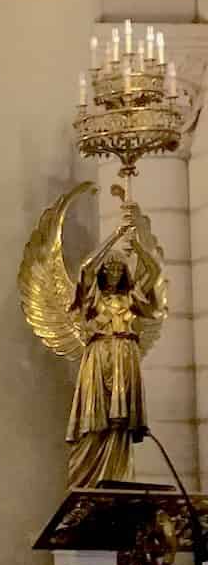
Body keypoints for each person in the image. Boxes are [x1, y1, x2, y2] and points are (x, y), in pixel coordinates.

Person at [65, 202, 163, 489]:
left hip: (125, 358)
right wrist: (114, 236)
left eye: (120, 268)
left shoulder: (132, 299)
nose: (115, 272)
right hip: (98, 359)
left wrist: (138, 245)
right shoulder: (93, 300)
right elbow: (85, 268)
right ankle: (87, 483)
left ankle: (117, 480)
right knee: (96, 421)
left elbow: (155, 272)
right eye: (110, 267)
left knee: (119, 426)